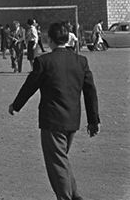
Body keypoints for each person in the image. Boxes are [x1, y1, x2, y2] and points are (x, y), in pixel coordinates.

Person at [9, 22, 100, 200]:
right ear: (67, 39)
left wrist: (16, 105)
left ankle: (65, 197)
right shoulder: (80, 61)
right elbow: (90, 92)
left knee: (56, 162)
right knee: (61, 159)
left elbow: (30, 86)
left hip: (52, 121)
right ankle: (74, 195)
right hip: (72, 120)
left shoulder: (44, 61)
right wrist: (93, 120)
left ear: (49, 40)